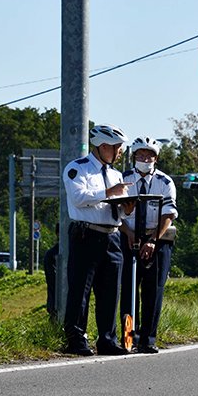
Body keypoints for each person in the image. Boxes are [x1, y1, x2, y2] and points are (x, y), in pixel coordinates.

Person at [61, 124, 135, 356]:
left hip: (112, 236)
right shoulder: (77, 168)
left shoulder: (115, 174)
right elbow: (78, 198)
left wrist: (128, 208)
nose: (121, 152)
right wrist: (109, 193)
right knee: (80, 289)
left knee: (110, 290)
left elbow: (118, 210)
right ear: (103, 147)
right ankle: (76, 339)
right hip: (86, 234)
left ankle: (107, 339)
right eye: (117, 148)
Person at [119, 136, 178, 354]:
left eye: (150, 155)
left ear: (156, 158)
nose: (145, 159)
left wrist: (153, 239)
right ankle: (127, 338)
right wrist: (128, 233)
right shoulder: (123, 179)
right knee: (128, 289)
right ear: (133, 157)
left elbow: (168, 214)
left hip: (158, 240)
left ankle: (148, 339)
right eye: (141, 155)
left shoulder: (165, 182)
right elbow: (115, 212)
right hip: (128, 237)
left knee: (154, 291)